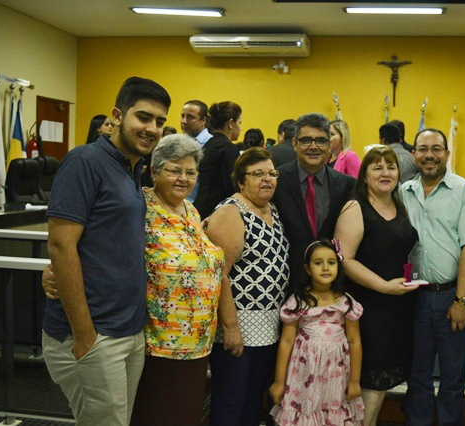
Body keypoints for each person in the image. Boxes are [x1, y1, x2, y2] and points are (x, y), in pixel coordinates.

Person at [42, 76, 171, 426]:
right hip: (93, 332)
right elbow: (60, 244)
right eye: (143, 117)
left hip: (129, 328)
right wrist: (85, 335)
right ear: (117, 115)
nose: (152, 128)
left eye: (159, 121)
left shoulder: (134, 168)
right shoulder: (85, 161)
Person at [129, 134, 224, 426]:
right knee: (156, 415)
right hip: (158, 343)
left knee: (185, 415)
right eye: (174, 170)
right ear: (154, 170)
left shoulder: (191, 211)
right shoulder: (139, 208)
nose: (184, 178)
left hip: (198, 341)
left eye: (191, 172)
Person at [400, 128, 465, 426]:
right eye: (423, 149)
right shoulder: (402, 192)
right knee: (418, 376)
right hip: (414, 297)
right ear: (414, 155)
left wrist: (461, 300)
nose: (429, 155)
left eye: (436, 149)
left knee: (452, 379)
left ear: (447, 154)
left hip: (451, 297)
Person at [204, 147, 290, 426]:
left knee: (253, 403)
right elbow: (220, 274)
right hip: (237, 327)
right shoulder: (232, 211)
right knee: (231, 404)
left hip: (266, 327)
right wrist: (230, 328)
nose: (267, 179)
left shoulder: (271, 209)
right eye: (257, 174)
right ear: (241, 181)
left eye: (271, 173)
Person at [334, 145, 419, 426]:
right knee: (367, 378)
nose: (386, 172)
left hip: (398, 307)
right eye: (377, 167)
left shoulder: (401, 205)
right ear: (365, 174)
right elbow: (345, 260)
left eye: (391, 167)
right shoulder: (355, 207)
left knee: (380, 384)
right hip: (367, 308)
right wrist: (383, 286)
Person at [269, 239, 364, 426]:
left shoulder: (346, 303)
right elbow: (287, 341)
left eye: (331, 262)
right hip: (304, 374)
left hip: (336, 376)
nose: (325, 268)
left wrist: (354, 381)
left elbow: (355, 342)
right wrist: (279, 382)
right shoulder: (298, 302)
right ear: (307, 268)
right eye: (318, 263)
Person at [272, 112, 355, 291]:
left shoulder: (347, 185)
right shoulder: (276, 181)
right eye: (306, 140)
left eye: (321, 141)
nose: (313, 147)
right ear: (294, 144)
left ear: (330, 144)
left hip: (332, 287)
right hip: (286, 283)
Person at [194, 101, 242, 218]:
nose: (241, 128)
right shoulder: (229, 149)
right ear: (231, 123)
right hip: (216, 211)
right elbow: (231, 188)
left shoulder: (208, 144)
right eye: (240, 123)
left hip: (200, 206)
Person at [181, 100, 212, 203]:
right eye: (182, 116)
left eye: (190, 117)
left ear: (203, 121)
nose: (184, 121)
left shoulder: (212, 144)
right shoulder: (180, 142)